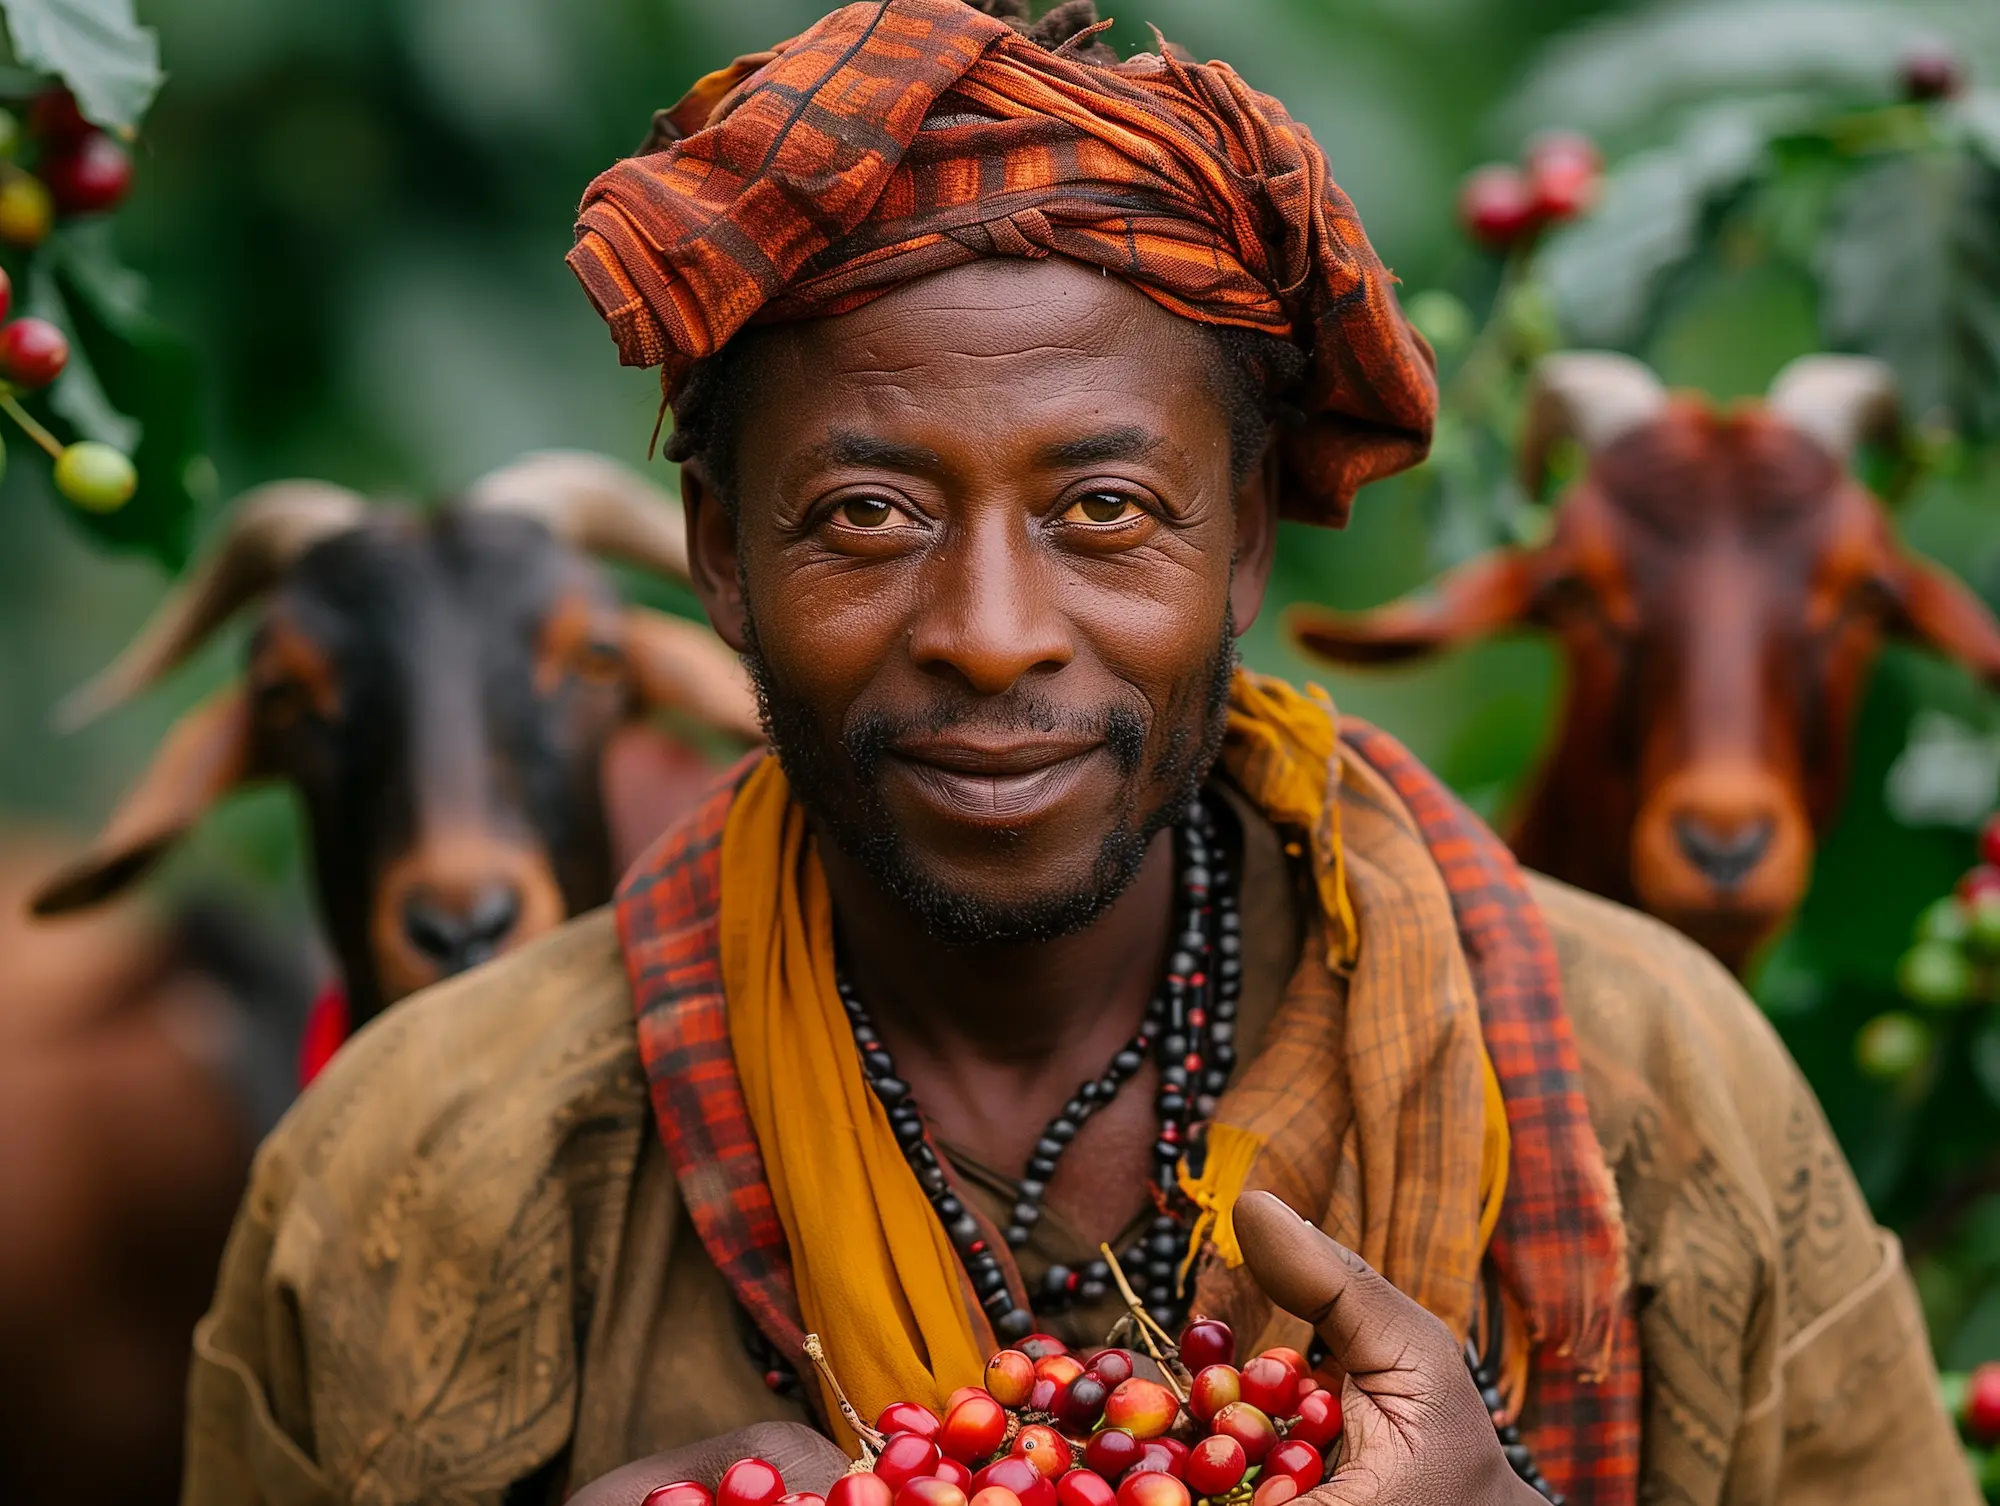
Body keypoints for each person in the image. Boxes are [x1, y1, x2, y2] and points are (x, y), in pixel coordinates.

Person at [181, 3, 1972, 1503]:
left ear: (1249, 540)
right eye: (867, 513)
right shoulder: (416, 1180)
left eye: (1106, 509)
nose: (989, 626)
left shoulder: (1657, 1089)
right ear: (721, 555)